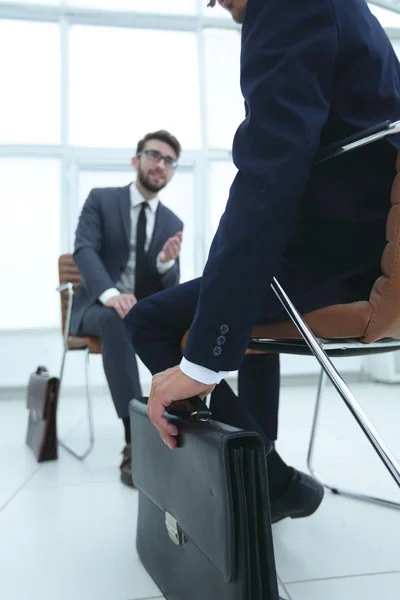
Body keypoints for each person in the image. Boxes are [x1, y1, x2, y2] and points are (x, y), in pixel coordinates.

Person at [126, 0, 400, 523]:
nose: (216, 2)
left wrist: (203, 358)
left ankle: (265, 479)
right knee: (241, 289)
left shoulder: (287, 6)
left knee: (147, 319)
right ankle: (264, 454)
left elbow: (268, 176)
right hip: (377, 256)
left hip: (337, 264)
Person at [70, 130, 184, 486]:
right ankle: (134, 437)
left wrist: (166, 265)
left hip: (142, 313)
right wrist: (109, 293)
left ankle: (183, 424)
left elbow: (171, 286)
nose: (160, 165)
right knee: (117, 318)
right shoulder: (102, 200)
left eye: (169, 161)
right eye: (154, 155)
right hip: (97, 308)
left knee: (184, 321)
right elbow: (84, 250)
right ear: (136, 160)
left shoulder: (173, 222)